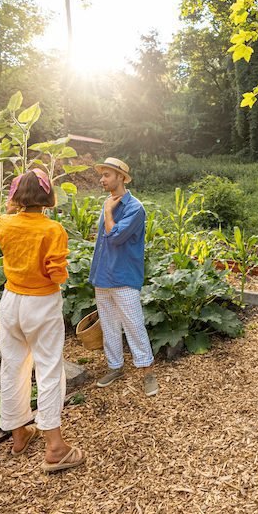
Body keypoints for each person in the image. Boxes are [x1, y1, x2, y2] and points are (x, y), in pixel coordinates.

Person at [0, 168, 85, 473]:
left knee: (14, 365)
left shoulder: (3, 224)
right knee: (49, 369)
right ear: (47, 196)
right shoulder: (52, 230)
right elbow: (57, 273)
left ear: (16, 196)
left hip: (11, 302)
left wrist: (11, 207)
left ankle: (19, 434)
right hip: (41, 303)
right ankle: (55, 447)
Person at [88, 157, 158, 397]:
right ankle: (115, 367)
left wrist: (108, 211)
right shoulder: (108, 202)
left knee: (134, 325)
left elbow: (115, 236)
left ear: (120, 177)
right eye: (102, 175)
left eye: (107, 175)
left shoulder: (135, 208)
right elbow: (102, 241)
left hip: (124, 277)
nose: (102, 179)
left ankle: (147, 372)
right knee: (108, 326)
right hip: (103, 275)